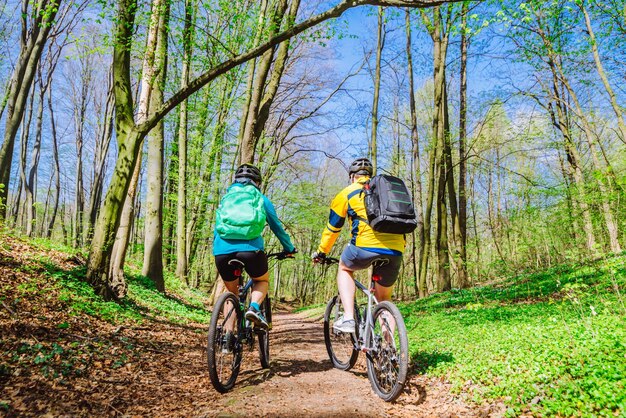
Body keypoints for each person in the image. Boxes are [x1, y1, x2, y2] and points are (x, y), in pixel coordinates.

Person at [312, 158, 405, 333]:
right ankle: (388, 350)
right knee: (384, 299)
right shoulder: (385, 192)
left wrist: (321, 252)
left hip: (364, 247)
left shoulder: (347, 193)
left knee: (345, 268)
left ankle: (348, 317)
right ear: (370, 175)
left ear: (352, 176)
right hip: (395, 249)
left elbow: (333, 229)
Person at [213, 163, 296, 329]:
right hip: (251, 251)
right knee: (261, 280)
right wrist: (289, 248)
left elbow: (217, 229)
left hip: (222, 251)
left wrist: (219, 250)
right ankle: (254, 308)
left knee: (231, 293)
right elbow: (277, 227)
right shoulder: (261, 199)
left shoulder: (226, 199)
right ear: (257, 183)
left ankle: (227, 337)